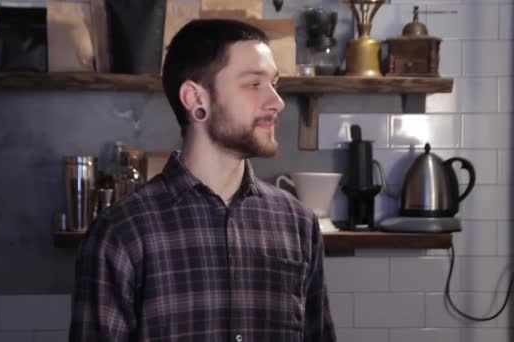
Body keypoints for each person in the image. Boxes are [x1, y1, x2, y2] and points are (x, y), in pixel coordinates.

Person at [69, 19, 336, 342]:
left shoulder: (298, 224)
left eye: (274, 84)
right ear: (195, 99)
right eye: (254, 84)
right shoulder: (122, 232)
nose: (277, 102)